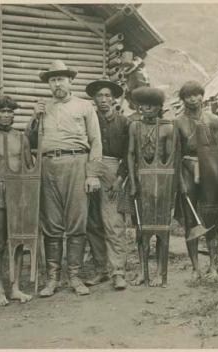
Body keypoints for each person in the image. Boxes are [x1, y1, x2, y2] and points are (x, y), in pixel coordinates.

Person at [26, 60, 102, 297]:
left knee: (77, 222)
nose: (57, 83)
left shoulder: (84, 106)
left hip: (77, 164)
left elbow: (96, 141)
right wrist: (34, 118)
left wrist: (92, 174)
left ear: (70, 81)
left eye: (61, 79)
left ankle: (75, 277)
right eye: (52, 79)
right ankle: (52, 279)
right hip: (48, 166)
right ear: (49, 84)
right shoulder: (43, 108)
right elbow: (29, 142)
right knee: (52, 224)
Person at [175, 81, 218, 282]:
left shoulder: (215, 121)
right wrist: (180, 180)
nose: (193, 99)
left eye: (196, 94)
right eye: (188, 96)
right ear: (182, 99)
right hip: (187, 169)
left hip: (211, 171)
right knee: (191, 220)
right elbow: (176, 154)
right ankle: (195, 268)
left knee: (211, 217)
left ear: (202, 96)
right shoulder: (178, 122)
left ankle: (214, 267)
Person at [0, 95, 34, 306]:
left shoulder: (22, 138)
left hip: (19, 193)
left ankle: (15, 288)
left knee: (18, 240)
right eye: (2, 111)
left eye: (10, 111)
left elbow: (29, 168)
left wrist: (29, 196)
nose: (6, 115)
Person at [128, 87, 180, 287]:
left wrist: (169, 186)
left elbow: (169, 161)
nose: (147, 108)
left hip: (162, 184)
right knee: (142, 230)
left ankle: (160, 274)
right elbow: (131, 154)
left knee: (162, 229)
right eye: (143, 104)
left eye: (152, 105)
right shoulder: (134, 127)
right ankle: (142, 272)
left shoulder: (167, 127)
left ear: (159, 107)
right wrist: (133, 182)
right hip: (142, 183)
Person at [84, 77, 129, 290]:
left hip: (112, 170)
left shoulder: (123, 122)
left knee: (113, 222)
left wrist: (120, 179)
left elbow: (130, 154)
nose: (103, 99)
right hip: (90, 169)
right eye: (99, 95)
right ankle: (100, 269)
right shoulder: (87, 120)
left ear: (113, 99)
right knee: (92, 222)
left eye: (107, 96)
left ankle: (118, 271)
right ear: (93, 98)